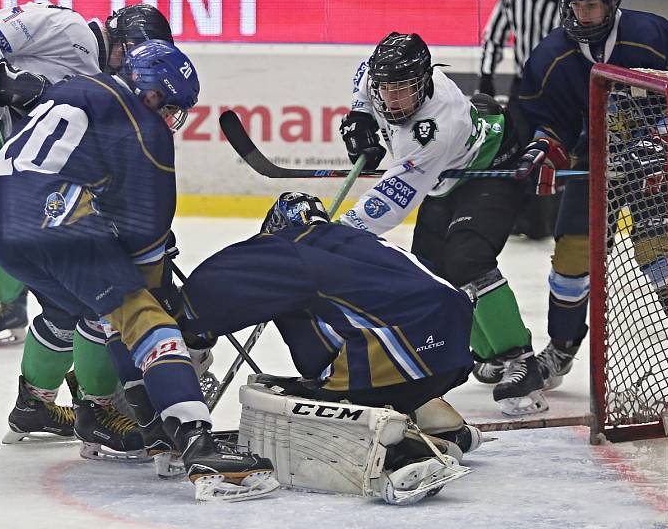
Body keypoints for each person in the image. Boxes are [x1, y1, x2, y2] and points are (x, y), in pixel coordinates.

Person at [0, 40, 277, 501]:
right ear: (153, 93)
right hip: (58, 223)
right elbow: (147, 231)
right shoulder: (144, 127)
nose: (170, 120)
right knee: (146, 316)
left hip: (0, 229)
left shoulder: (76, 88)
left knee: (104, 314)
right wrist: (156, 287)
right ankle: (198, 441)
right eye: (172, 107)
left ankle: (151, 424)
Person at [0, 3, 190, 457]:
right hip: (7, 190)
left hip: (18, 198)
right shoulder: (63, 26)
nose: (132, 64)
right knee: (99, 303)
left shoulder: (112, 85)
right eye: (131, 51)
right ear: (116, 36)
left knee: (65, 305)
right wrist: (2, 78)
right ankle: (97, 410)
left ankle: (36, 404)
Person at [337, 31, 547, 416]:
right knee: (432, 273)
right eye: (387, 90)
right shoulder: (379, 79)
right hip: (444, 180)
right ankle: (489, 353)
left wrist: (338, 233)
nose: (393, 99)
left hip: (490, 170)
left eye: (403, 89)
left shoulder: (438, 124)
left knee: (468, 258)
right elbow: (363, 77)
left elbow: (393, 200)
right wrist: (360, 115)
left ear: (424, 81)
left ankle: (521, 359)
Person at [179, 191, 482, 453]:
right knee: (379, 362)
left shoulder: (287, 244)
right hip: (451, 354)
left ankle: (400, 447)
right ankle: (437, 421)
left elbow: (209, 289)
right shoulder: (367, 242)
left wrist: (194, 334)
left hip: (393, 356)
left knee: (284, 397)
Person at [514, 0, 668, 390]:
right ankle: (560, 350)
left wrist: (659, 141)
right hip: (592, 167)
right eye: (575, 6)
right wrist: (545, 147)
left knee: (660, 259)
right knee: (571, 259)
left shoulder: (653, 35)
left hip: (653, 165)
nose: (583, 14)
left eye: (592, 5)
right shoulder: (552, 54)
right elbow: (547, 120)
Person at [479, 0, 561, 240]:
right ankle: (525, 221)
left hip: (558, 88)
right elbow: (494, 36)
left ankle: (553, 222)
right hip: (523, 85)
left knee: (555, 151)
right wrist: (486, 77)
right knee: (517, 152)